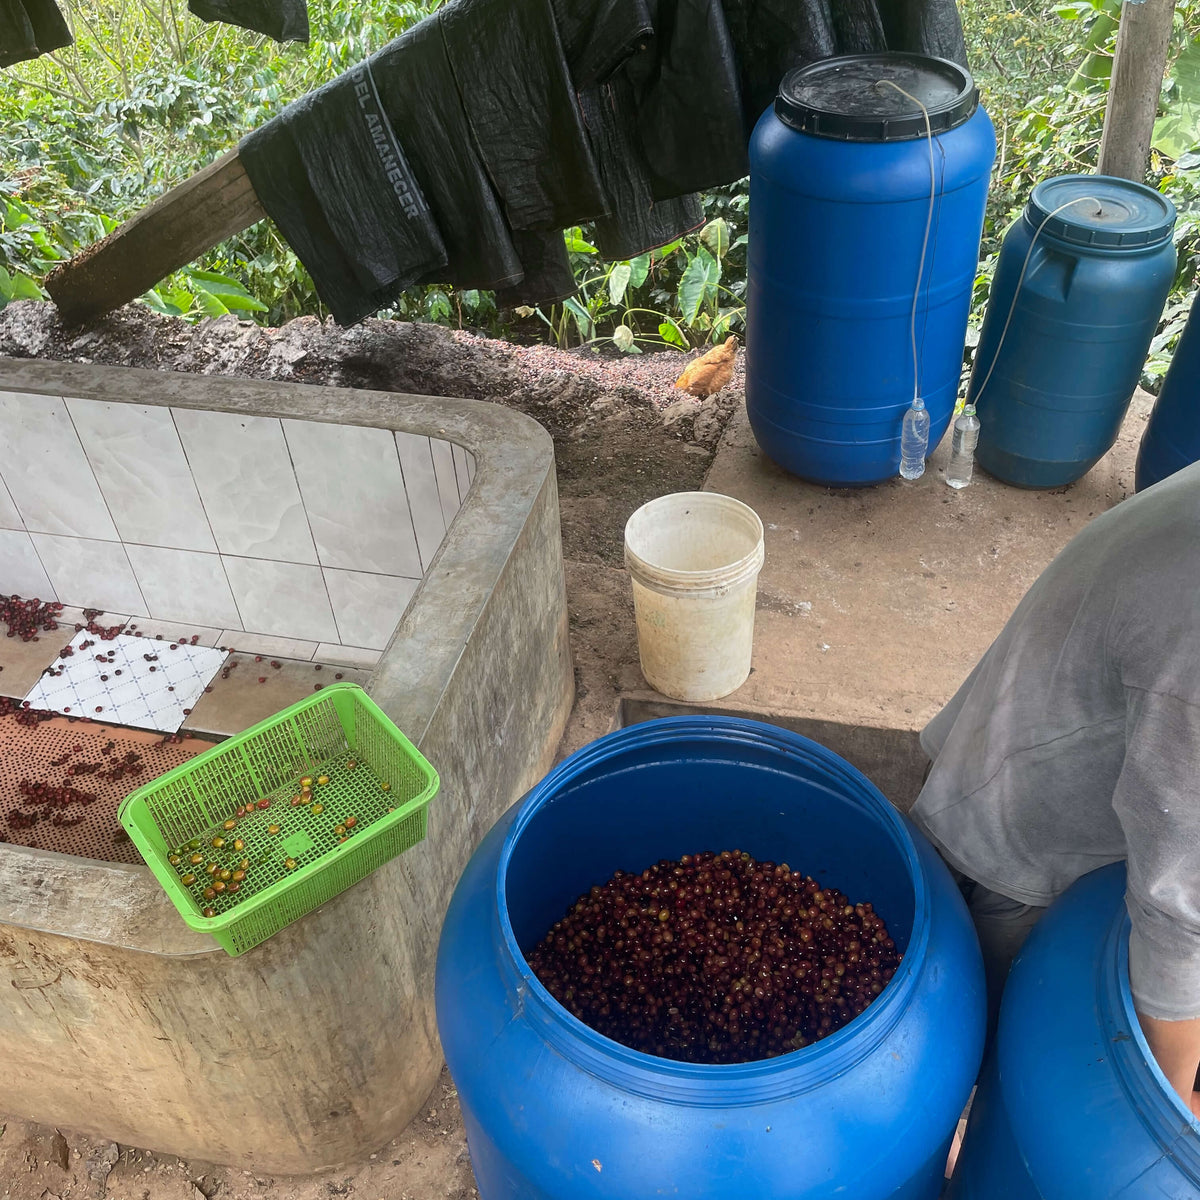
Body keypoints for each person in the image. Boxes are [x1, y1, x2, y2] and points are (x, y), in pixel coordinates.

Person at [912, 460, 1200, 1115]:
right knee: (1000, 1058)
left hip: (1061, 761)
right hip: (1014, 839)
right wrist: (1172, 1121)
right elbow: (1177, 913)